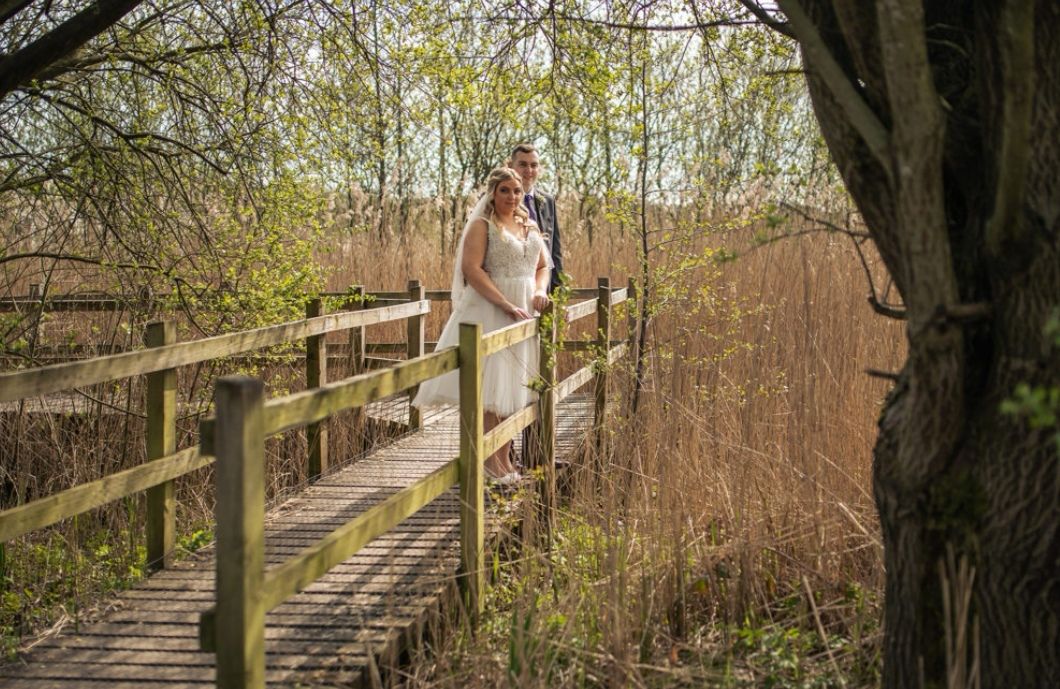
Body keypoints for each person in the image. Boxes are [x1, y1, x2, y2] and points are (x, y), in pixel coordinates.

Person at [411, 167, 552, 483]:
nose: (511, 197)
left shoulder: (528, 225)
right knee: (492, 390)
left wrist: (540, 291)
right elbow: (472, 270)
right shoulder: (482, 226)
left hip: (525, 309)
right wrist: (504, 303)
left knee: (512, 387)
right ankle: (489, 464)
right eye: (504, 190)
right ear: (493, 193)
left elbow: (543, 266)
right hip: (492, 308)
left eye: (516, 191)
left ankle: (503, 460)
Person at [508, 143, 564, 292]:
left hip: (544, 293)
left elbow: (555, 253)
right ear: (510, 166)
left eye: (534, 165)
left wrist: (558, 296)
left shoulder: (548, 201)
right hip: (512, 290)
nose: (529, 171)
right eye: (522, 164)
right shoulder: (500, 200)